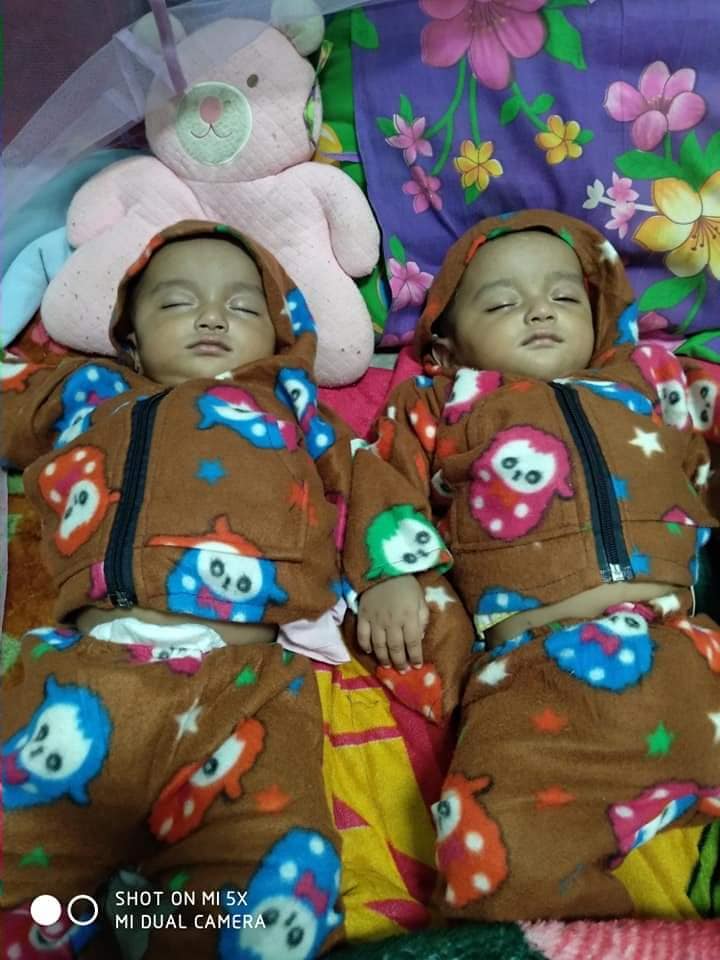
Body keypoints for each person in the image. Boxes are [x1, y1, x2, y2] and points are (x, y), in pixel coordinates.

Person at [0, 220, 457, 959]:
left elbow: (367, 478)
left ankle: (173, 923)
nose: (212, 318)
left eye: (243, 307)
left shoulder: (294, 410)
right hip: (84, 673)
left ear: (279, 333)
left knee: (261, 882)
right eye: (178, 302)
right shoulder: (90, 393)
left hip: (247, 685)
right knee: (22, 859)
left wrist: (390, 572)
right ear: (131, 337)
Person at [354, 209, 720, 920]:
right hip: (533, 675)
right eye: (501, 303)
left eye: (564, 295)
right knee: (495, 847)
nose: (539, 310)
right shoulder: (439, 403)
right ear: (447, 344)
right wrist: (390, 574)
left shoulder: (650, 377)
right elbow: (384, 480)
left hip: (687, 652)